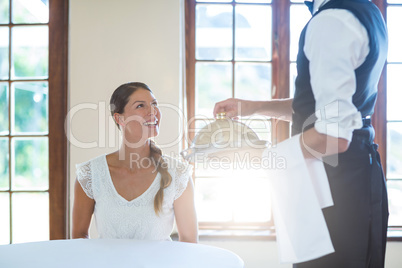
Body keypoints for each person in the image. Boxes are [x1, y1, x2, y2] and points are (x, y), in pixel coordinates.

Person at [214, 0, 388, 267]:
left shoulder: (331, 21)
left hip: (333, 187)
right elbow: (328, 109)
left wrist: (260, 155)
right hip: (358, 176)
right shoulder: (367, 11)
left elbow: (333, 136)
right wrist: (254, 107)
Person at [72, 82, 198, 243]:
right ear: (120, 118)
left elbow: (189, 242)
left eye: (154, 104)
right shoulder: (90, 174)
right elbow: (78, 237)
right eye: (140, 106)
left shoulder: (178, 174)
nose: (153, 112)